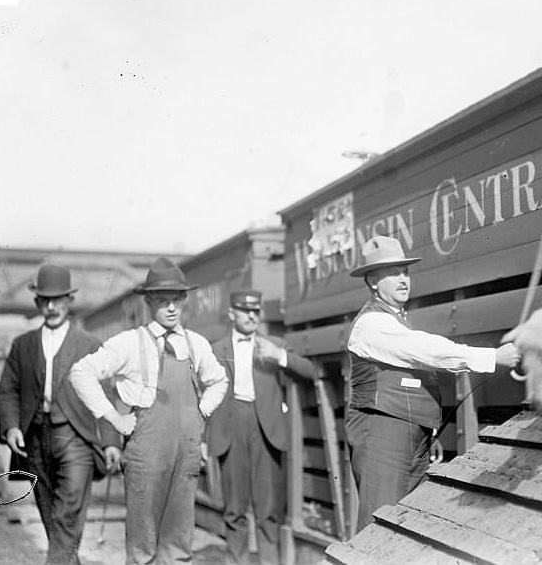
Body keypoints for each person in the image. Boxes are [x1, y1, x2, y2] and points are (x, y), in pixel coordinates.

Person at [345, 235, 521, 532]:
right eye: (393, 273)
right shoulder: (372, 324)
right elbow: (427, 350)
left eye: (405, 271)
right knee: (380, 528)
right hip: (383, 435)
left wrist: (424, 429)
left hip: (406, 434)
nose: (403, 279)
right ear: (373, 281)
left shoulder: (397, 318)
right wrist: (494, 357)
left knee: (404, 527)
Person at [69, 257, 228, 564]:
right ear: (149, 301)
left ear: (184, 301)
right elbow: (81, 372)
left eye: (176, 301)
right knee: (143, 542)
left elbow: (219, 380)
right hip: (145, 452)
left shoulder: (195, 344)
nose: (170, 308)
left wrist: (201, 411)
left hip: (186, 452)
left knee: (179, 538)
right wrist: (113, 417)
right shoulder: (129, 343)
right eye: (162, 301)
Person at [0, 264, 122, 564]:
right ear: (37, 303)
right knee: (51, 515)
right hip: (34, 441)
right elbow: (9, 389)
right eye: (45, 300)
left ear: (70, 300)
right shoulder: (22, 345)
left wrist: (111, 441)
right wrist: (12, 427)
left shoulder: (89, 345)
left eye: (58, 300)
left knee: (68, 515)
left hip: (76, 437)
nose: (52, 307)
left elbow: (106, 395)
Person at [205, 290, 317, 565]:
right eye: (246, 311)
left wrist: (279, 355)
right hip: (230, 428)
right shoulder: (215, 349)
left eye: (256, 311)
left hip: (265, 429)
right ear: (232, 314)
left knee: (268, 510)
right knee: (234, 510)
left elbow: (309, 372)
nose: (252, 316)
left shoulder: (273, 344)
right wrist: (203, 437)